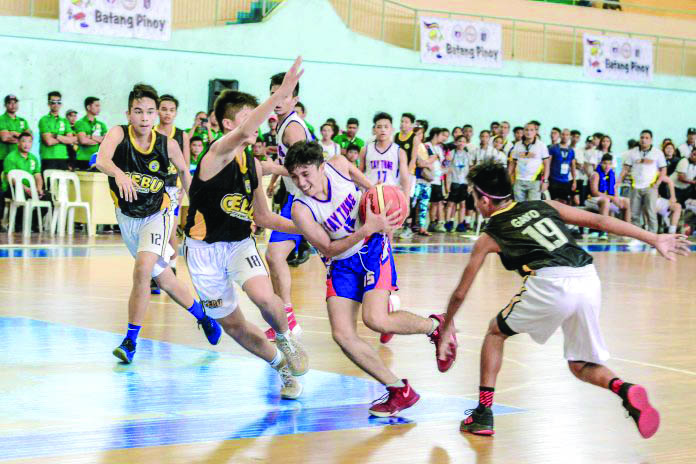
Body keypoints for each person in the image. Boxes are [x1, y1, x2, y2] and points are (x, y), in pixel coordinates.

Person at [437, 160, 689, 438]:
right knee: (579, 364)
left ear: (484, 200)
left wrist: (447, 325)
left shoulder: (489, 234)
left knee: (495, 332)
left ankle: (483, 414)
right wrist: (653, 238)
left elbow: (461, 292)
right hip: (588, 277)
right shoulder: (545, 205)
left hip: (552, 282)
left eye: (475, 198)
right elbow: (600, 221)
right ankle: (625, 388)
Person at [286, 140, 458, 416]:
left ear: (320, 167)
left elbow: (377, 191)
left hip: (373, 247)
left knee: (375, 320)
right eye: (294, 177)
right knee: (342, 335)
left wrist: (386, 214)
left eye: (306, 174)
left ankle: (435, 326)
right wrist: (366, 228)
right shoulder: (301, 209)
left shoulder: (340, 166)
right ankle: (398, 389)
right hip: (341, 262)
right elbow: (328, 248)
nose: (301, 182)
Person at [184, 58, 309, 399]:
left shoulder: (252, 164)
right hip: (203, 251)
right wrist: (280, 94)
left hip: (239, 244)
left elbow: (266, 218)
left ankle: (285, 337)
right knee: (234, 326)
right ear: (227, 124)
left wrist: (309, 230)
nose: (258, 123)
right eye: (247, 117)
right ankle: (282, 367)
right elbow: (242, 132)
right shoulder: (216, 154)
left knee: (263, 296)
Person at [95, 83, 221, 363]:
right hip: (127, 217)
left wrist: (199, 210)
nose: (144, 117)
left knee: (142, 270)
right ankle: (203, 316)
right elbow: (102, 159)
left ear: (156, 116)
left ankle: (130, 341)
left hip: (158, 213)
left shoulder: (168, 144)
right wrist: (119, 174)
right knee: (164, 278)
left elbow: (186, 177)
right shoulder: (118, 133)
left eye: (149, 112)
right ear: (129, 113)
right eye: (138, 111)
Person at [262, 70, 313, 341]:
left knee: (275, 255)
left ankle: (287, 319)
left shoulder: (292, 128)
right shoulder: (282, 123)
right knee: (274, 255)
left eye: (284, 95)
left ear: (295, 100)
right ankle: (286, 318)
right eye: (274, 94)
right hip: (296, 196)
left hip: (308, 199)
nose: (278, 99)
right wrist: (275, 180)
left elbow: (305, 166)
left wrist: (272, 168)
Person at [152, 94, 190, 293]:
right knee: (155, 230)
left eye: (171, 110)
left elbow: (185, 165)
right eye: (164, 109)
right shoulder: (151, 132)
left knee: (170, 230)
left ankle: (172, 266)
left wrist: (183, 189)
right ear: (157, 110)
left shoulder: (181, 135)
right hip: (153, 187)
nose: (167, 113)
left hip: (173, 187)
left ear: (176, 112)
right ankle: (156, 270)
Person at [618, 130, 666, 233]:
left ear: (651, 140)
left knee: (650, 212)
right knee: (634, 214)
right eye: (642, 137)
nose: (643, 140)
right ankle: (637, 237)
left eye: (646, 138)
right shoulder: (633, 152)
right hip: (635, 187)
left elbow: (663, 170)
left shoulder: (658, 153)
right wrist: (618, 181)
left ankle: (653, 236)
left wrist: (657, 183)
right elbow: (626, 169)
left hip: (650, 187)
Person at [2, 132, 50, 232]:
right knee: (21, 194)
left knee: (48, 196)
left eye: (29, 142)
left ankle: (33, 223)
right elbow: (11, 178)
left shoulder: (33, 158)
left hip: (30, 188)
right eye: (24, 141)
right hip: (13, 188)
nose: (26, 144)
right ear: (18, 143)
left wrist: (39, 188)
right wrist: (27, 189)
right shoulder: (11, 157)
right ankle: (19, 224)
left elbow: (38, 176)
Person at [360, 112, 409, 194]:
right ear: (374, 129)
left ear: (392, 129)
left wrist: (407, 203)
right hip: (370, 194)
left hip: (391, 194)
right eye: (379, 127)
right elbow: (359, 175)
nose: (383, 130)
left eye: (386, 127)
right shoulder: (365, 149)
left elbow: (405, 181)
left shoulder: (399, 152)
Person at [585, 154, 631, 226]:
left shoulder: (612, 174)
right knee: (605, 201)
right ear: (601, 163)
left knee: (626, 201)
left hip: (608, 198)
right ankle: (603, 231)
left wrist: (617, 199)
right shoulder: (595, 174)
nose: (607, 166)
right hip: (592, 199)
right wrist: (612, 198)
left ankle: (628, 230)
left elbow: (614, 190)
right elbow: (594, 193)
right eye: (605, 163)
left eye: (609, 164)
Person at [509, 123, 550, 201]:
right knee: (519, 207)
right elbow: (512, 163)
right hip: (519, 181)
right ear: (523, 131)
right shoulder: (517, 145)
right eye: (526, 130)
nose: (529, 132)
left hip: (535, 181)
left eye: (531, 130)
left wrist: (545, 180)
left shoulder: (541, 145)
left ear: (535, 132)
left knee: (533, 206)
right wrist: (508, 178)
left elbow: (547, 164)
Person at [39, 91, 77, 173]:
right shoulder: (44, 120)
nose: (56, 105)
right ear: (48, 104)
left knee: (63, 185)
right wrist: (64, 139)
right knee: (49, 185)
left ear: (61, 104)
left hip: (63, 158)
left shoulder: (64, 121)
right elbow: (48, 141)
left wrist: (56, 136)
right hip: (48, 158)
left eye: (58, 102)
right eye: (53, 102)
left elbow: (71, 140)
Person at [445, 135, 473, 233]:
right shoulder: (452, 154)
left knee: (462, 204)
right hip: (454, 181)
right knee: (450, 204)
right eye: (459, 141)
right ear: (456, 142)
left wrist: (470, 184)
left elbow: (470, 171)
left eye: (463, 141)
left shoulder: (468, 155)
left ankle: (461, 223)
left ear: (466, 143)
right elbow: (448, 170)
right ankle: (448, 222)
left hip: (464, 183)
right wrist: (447, 184)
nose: (461, 143)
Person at [74, 97, 108, 171]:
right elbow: (83, 140)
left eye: (99, 106)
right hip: (83, 159)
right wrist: (99, 140)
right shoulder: (80, 123)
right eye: (96, 105)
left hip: (97, 160)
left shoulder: (101, 124)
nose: (99, 108)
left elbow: (106, 141)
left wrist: (90, 136)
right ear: (88, 107)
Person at [0, 95, 31, 170]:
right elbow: (4, 138)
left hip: (20, 158)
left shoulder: (22, 120)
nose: (13, 105)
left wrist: (14, 133)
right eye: (10, 103)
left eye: (15, 103)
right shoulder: (2, 119)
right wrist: (22, 139)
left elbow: (29, 137)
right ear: (5, 105)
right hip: (5, 157)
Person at [547, 129, 577, 205]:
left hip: (565, 181)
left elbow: (573, 166)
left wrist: (574, 181)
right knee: (554, 202)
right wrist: (546, 179)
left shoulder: (571, 150)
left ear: (570, 136)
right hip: (554, 179)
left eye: (567, 135)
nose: (565, 136)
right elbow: (548, 164)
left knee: (564, 202)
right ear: (560, 135)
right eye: (563, 134)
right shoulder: (553, 148)